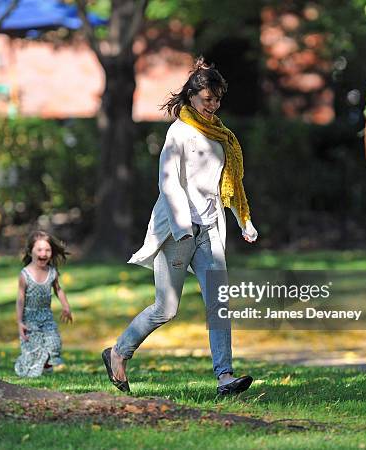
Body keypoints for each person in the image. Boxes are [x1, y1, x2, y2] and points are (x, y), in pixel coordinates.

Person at [101, 57, 259, 395]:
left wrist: (243, 220)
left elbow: (228, 184)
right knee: (166, 309)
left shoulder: (221, 136)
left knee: (219, 302)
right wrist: (183, 226)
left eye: (217, 100)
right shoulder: (179, 133)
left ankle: (224, 377)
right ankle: (117, 352)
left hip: (210, 230)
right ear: (190, 97)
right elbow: (169, 183)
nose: (212, 106)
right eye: (206, 99)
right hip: (177, 232)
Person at [14, 230, 73, 378]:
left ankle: (47, 364)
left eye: (47, 250)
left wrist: (66, 307)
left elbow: (59, 290)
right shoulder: (25, 274)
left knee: (55, 343)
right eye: (39, 249)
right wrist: (19, 321)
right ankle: (24, 365)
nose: (44, 253)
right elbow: (20, 298)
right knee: (33, 350)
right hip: (30, 317)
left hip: (46, 316)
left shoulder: (52, 272)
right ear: (30, 251)